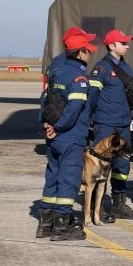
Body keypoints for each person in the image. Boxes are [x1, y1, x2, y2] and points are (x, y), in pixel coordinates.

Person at [36, 33, 95, 241]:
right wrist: (59, 127)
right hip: (70, 135)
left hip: (53, 136)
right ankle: (61, 226)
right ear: (81, 53)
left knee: (52, 176)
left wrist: (45, 124)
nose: (90, 54)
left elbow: (44, 99)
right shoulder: (78, 77)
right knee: (69, 179)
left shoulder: (56, 71)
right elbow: (74, 108)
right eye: (88, 51)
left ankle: (45, 224)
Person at [88, 28, 133, 221]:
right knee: (100, 167)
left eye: (127, 43)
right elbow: (91, 97)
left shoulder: (126, 68)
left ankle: (119, 204)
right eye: (123, 43)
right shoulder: (101, 69)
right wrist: (89, 121)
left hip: (123, 124)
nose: (127, 46)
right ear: (112, 46)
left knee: (122, 166)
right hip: (106, 124)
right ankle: (97, 207)